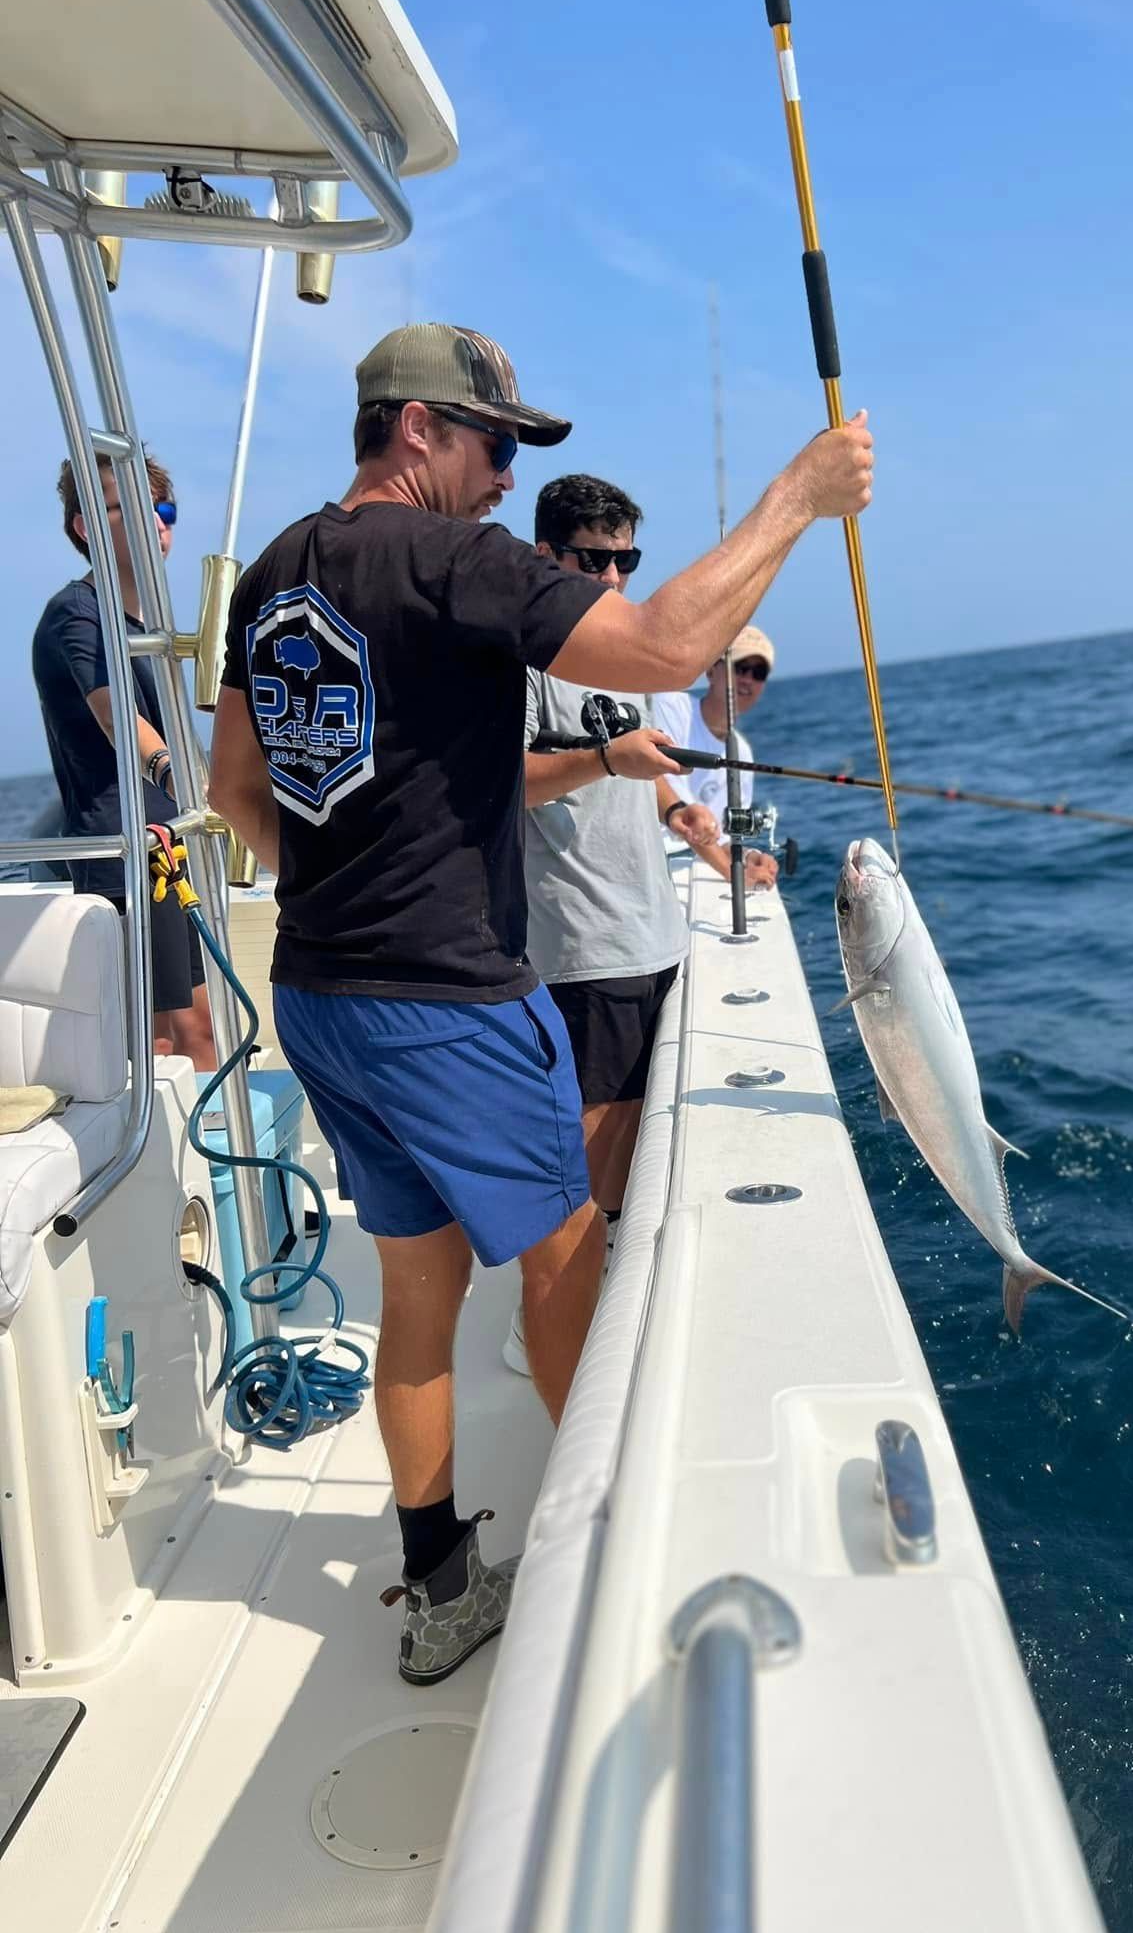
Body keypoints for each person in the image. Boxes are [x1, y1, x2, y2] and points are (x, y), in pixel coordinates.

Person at [206, 322, 873, 1682]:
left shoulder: (275, 572)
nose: (508, 478)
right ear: (417, 432)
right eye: (495, 444)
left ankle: (443, 1584)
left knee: (415, 1293)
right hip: (448, 999)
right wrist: (797, 501)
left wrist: (344, 888)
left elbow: (231, 792)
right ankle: (614, 1558)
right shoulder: (451, 561)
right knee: (572, 1259)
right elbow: (655, 648)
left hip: (321, 995)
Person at [505, 474, 714, 1378]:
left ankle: (609, 1330)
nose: (617, 580)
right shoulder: (515, 656)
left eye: (628, 560)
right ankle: (552, 1339)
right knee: (587, 1175)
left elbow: (631, 760)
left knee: (635, 1155)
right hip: (582, 947)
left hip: (653, 934)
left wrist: (681, 815)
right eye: (596, 560)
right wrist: (604, 759)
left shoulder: (607, 654)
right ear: (546, 554)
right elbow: (502, 781)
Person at [32, 453, 217, 1068]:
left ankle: (210, 1163)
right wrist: (183, 780)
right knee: (162, 1042)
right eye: (131, 509)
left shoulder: (144, 627)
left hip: (169, 845)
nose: (156, 524)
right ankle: (168, 1164)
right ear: (85, 526)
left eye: (163, 512)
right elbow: (116, 718)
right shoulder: (77, 615)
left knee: (201, 1033)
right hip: (128, 856)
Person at [652, 629, 779, 889]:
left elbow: (721, 836)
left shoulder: (741, 751)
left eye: (758, 674)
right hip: (652, 861)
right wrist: (733, 875)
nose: (747, 680)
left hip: (697, 867)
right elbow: (680, 812)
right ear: (711, 670)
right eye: (740, 667)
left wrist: (748, 856)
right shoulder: (671, 707)